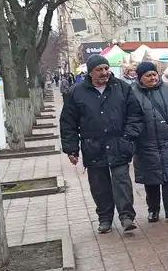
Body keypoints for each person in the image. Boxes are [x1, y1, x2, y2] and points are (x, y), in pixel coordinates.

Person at [60, 55, 144, 233]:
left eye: (106, 68)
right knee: (99, 186)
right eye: (99, 69)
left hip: (119, 144)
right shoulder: (76, 92)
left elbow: (135, 114)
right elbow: (68, 123)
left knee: (122, 182)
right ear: (90, 72)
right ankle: (105, 218)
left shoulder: (122, 88)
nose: (104, 72)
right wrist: (71, 149)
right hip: (93, 147)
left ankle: (126, 217)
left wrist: (128, 136)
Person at [131, 61, 168, 223]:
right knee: (151, 178)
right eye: (148, 75)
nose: (153, 78)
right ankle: (153, 210)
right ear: (140, 78)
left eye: (154, 74)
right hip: (145, 143)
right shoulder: (132, 93)